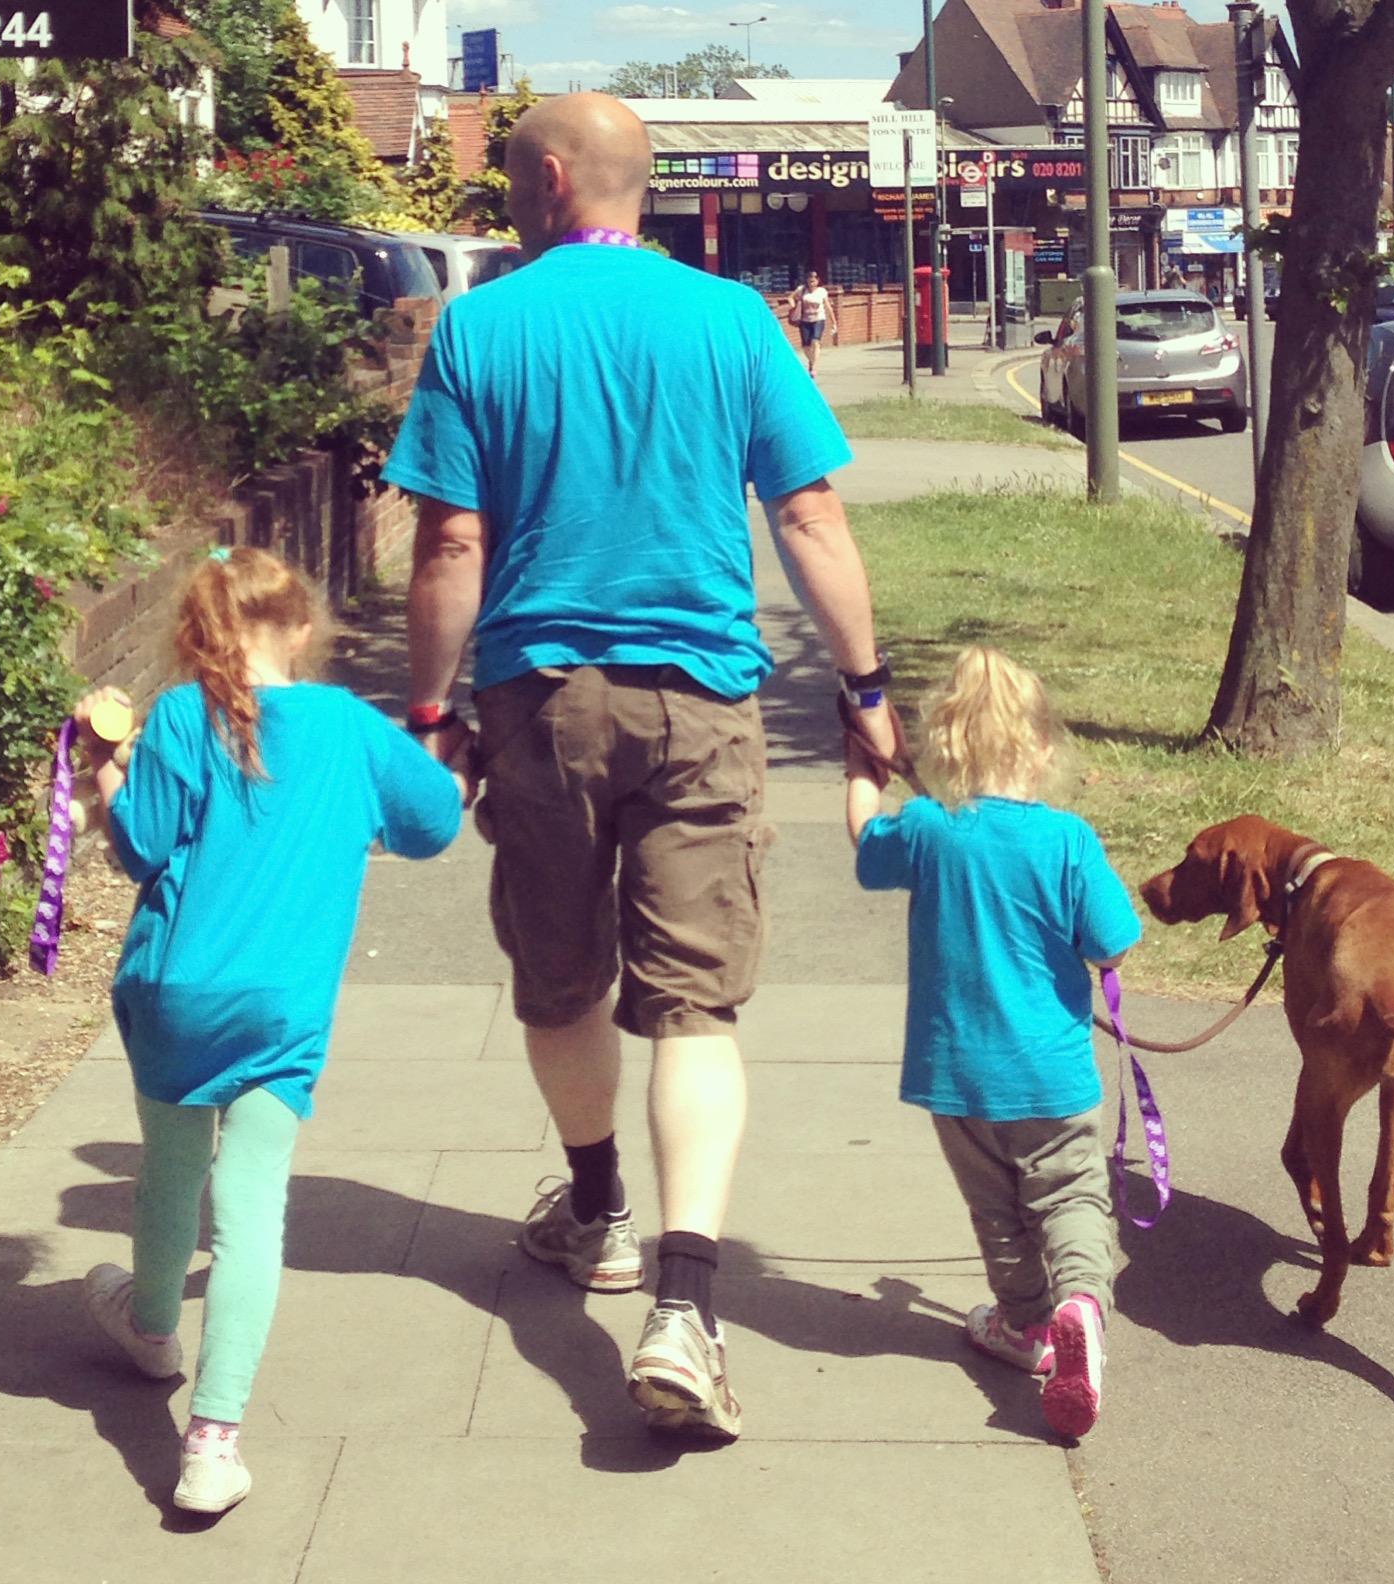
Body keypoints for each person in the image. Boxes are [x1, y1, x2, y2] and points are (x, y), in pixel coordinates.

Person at [382, 91, 895, 1441]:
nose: (506, 199)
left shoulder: (481, 327)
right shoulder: (733, 320)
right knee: (694, 1007)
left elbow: (450, 545)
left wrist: (430, 715)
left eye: (511, 178)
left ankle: (599, 1210)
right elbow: (809, 513)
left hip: (538, 701)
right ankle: (684, 1309)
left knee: (561, 976)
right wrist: (865, 691)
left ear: (553, 179)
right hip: (702, 698)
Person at [75, 547, 463, 1513]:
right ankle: (212, 1443)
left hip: (174, 994)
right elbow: (432, 825)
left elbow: (141, 847)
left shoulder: (179, 715)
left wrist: (110, 778)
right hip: (280, 1007)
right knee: (251, 1207)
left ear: (195, 635)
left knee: (171, 1174)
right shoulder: (347, 725)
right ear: (301, 628)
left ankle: (152, 1329)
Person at [844, 644, 1141, 1439]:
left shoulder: (927, 829)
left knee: (998, 1212)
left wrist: (862, 770)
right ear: (1042, 749)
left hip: (958, 1080)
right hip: (1051, 1077)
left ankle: (1025, 1324)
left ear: (944, 745)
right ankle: (1081, 1307)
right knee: (1070, 1196)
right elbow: (1114, 942)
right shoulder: (1069, 840)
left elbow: (867, 847)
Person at [789, 269, 838, 377]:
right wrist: (794, 308)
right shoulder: (802, 289)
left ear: (817, 281)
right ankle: (811, 361)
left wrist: (834, 323)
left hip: (819, 319)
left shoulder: (822, 291)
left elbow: (828, 307)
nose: (811, 284)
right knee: (806, 346)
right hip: (805, 320)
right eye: (809, 281)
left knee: (815, 341)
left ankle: (813, 367)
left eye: (813, 281)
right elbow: (790, 298)